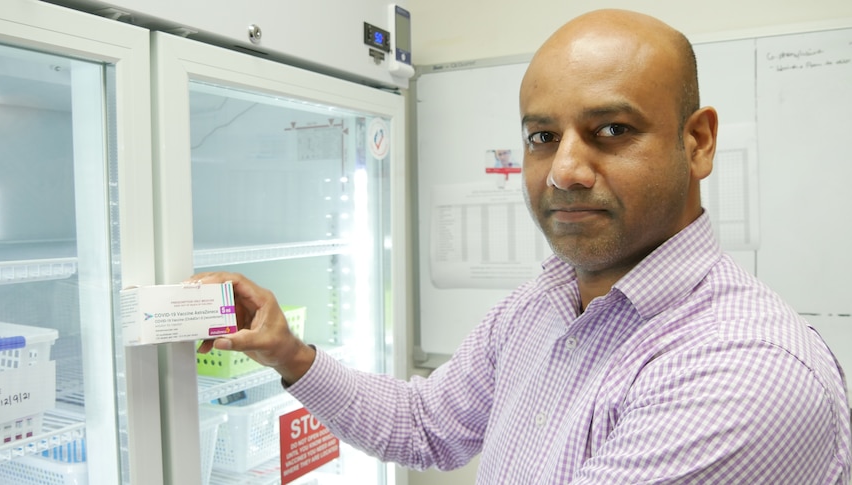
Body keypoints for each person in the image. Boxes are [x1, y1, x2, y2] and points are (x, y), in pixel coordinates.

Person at [193, 9, 852, 484]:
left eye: (612, 129)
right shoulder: (543, 304)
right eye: (542, 136)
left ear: (698, 142)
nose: (564, 170)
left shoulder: (744, 370)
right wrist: (290, 354)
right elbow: (425, 423)